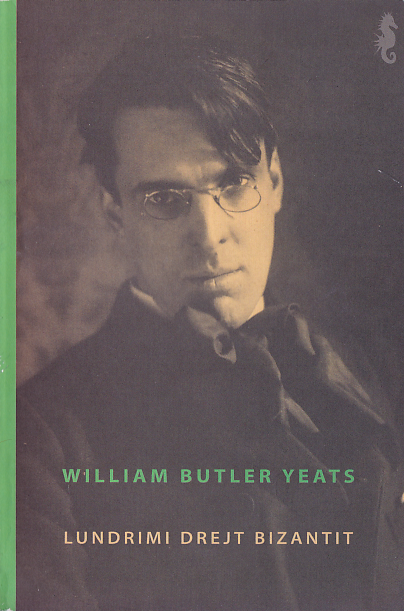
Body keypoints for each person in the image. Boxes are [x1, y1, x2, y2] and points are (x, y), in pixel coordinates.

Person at [17, 35, 404, 611]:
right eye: (165, 200)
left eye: (235, 183)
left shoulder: (369, 372)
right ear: (115, 215)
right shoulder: (38, 436)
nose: (209, 235)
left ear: (275, 182)